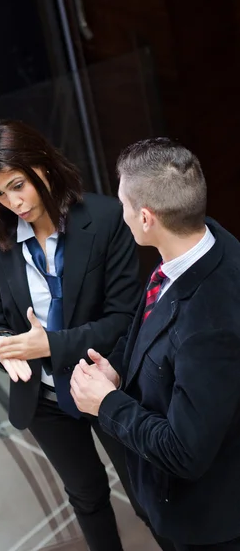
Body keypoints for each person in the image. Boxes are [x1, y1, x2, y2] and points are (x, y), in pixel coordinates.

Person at [0, 119, 145, 551]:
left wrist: (51, 344)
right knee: (86, 497)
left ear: (42, 166)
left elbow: (124, 320)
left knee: (148, 494)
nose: (12, 203)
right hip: (44, 396)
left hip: (108, 383)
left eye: (17, 185)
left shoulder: (103, 219)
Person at [70, 137, 240, 551]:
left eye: (124, 204)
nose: (120, 213)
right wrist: (120, 367)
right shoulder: (209, 242)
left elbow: (185, 452)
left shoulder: (207, 326)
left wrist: (106, 403)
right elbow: (156, 331)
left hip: (208, 524)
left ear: (146, 217)